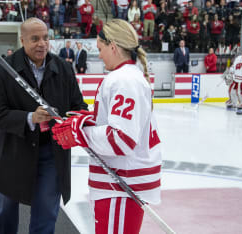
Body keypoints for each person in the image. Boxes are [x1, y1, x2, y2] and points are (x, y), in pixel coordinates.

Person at [51, 19, 162, 234]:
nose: (99, 55)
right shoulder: (127, 77)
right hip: (117, 184)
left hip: (120, 185)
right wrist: (82, 120)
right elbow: (117, 125)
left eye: (101, 49)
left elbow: (121, 138)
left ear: (113, 46)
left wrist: (79, 132)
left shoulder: (124, 80)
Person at [0, 17, 87, 234]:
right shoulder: (4, 70)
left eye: (45, 38)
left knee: (46, 215)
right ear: (22, 40)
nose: (42, 43)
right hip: (14, 152)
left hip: (52, 154)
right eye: (35, 39)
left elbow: (79, 106)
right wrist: (30, 118)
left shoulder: (64, 69)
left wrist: (75, 122)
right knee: (5, 212)